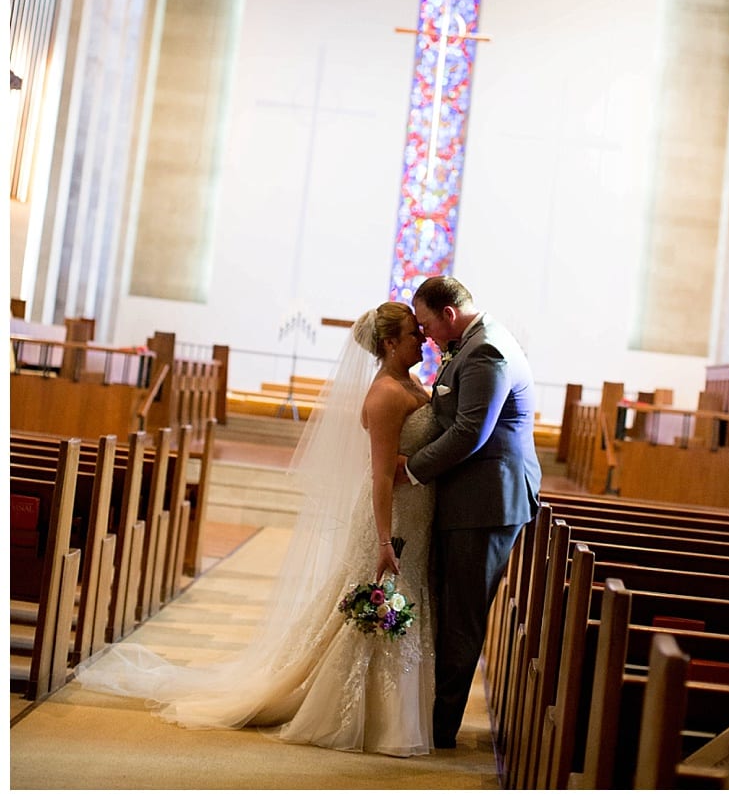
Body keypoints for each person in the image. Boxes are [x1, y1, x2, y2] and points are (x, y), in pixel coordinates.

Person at [75, 302, 440, 757]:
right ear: (389, 343)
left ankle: (388, 712)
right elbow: (380, 475)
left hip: (417, 516)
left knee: (391, 601)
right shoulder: (385, 393)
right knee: (377, 599)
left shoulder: (413, 383)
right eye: (412, 334)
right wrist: (385, 540)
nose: (421, 339)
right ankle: (362, 714)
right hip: (394, 522)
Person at [398, 276, 541, 749]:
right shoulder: (476, 341)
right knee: (452, 604)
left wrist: (411, 470)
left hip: (486, 501)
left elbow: (470, 432)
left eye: (426, 324)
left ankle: (440, 731)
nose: (425, 335)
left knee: (461, 614)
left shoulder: (487, 352)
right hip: (475, 496)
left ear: (449, 314)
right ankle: (432, 718)